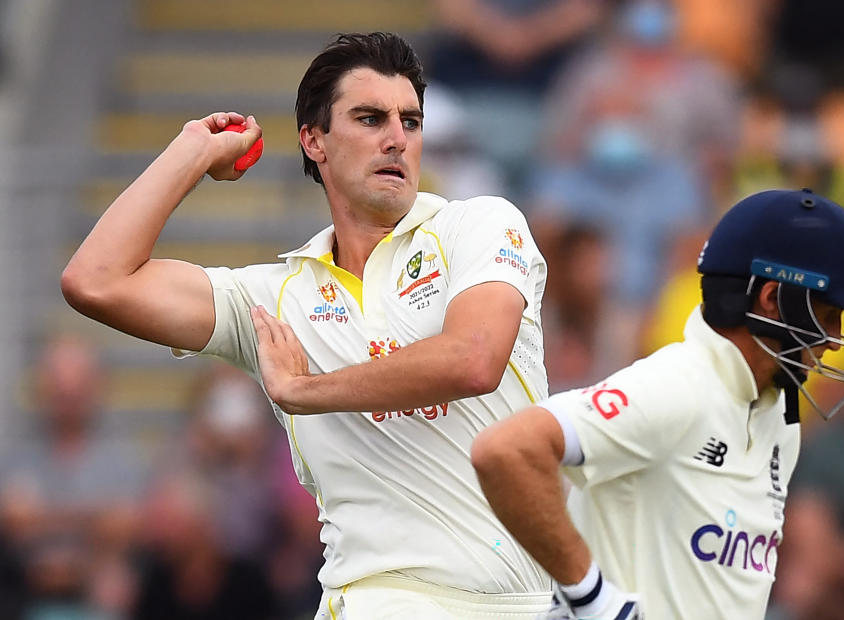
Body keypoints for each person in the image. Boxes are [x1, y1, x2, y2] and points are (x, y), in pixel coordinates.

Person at [60, 32, 552, 620]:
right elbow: (96, 281)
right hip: (371, 600)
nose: (397, 138)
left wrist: (304, 391)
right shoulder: (277, 298)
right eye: (370, 118)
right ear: (314, 141)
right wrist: (191, 151)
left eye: (411, 122)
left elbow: (474, 359)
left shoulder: (481, 225)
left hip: (519, 602)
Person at [472, 189, 844, 619]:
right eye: (827, 314)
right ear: (771, 300)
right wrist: (592, 595)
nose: (836, 340)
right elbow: (506, 450)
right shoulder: (677, 386)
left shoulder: (780, 420)